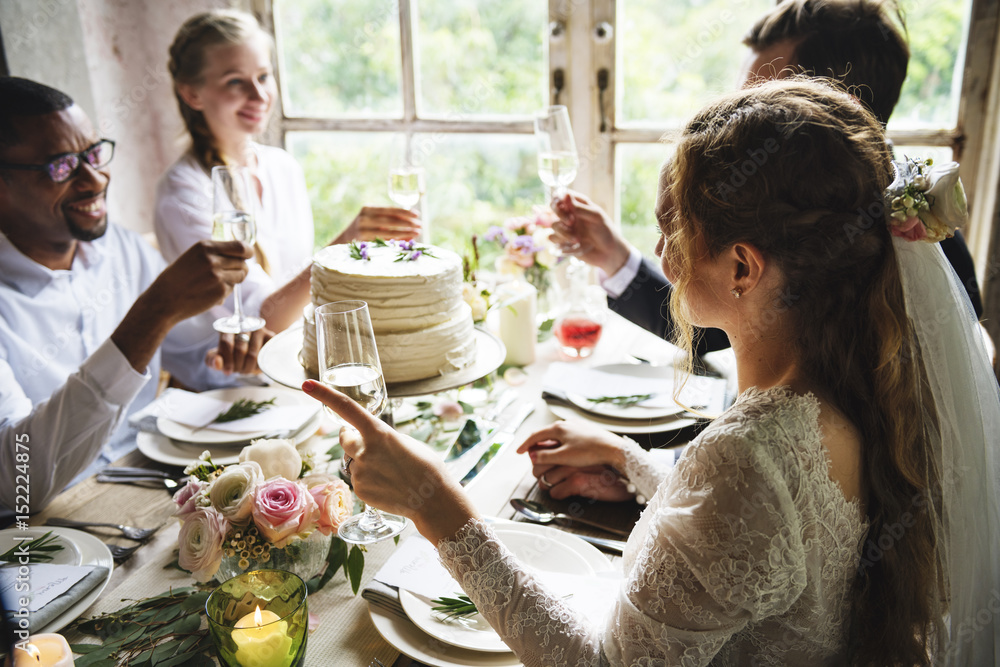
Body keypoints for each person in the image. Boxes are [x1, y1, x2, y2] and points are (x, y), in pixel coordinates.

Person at [305, 79, 1000, 664]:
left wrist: (435, 503)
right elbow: (767, 541)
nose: (661, 246)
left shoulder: (750, 453)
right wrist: (631, 463)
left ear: (742, 267)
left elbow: (597, 661)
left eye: (679, 225)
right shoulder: (857, 384)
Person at [558, 0, 983, 354]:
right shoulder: (791, 199)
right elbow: (719, 319)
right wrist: (615, 258)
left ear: (833, 108)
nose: (738, 120)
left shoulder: (918, 241)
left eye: (763, 101)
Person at [0, 77, 262, 513]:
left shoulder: (120, 247)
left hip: (146, 480)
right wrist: (152, 314)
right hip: (46, 533)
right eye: (61, 166)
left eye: (93, 154)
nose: (95, 178)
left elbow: (198, 361)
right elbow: (17, 480)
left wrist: (239, 357)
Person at [155, 9, 420, 338]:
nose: (260, 95)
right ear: (192, 94)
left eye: (264, 77)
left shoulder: (281, 167)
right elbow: (264, 323)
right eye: (235, 81)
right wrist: (343, 245)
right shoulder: (184, 195)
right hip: (229, 380)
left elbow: (294, 295)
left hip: (292, 353)